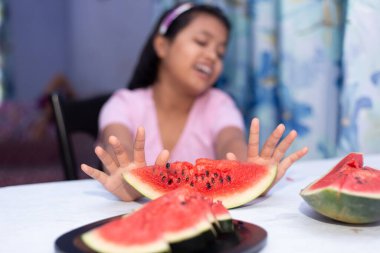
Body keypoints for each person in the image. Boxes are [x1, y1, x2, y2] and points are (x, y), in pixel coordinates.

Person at [81, 2, 308, 201]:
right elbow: (117, 147)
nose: (211, 56)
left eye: (220, 53)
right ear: (162, 46)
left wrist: (252, 173)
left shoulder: (220, 105)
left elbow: (231, 142)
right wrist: (127, 180)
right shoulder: (123, 104)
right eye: (201, 42)